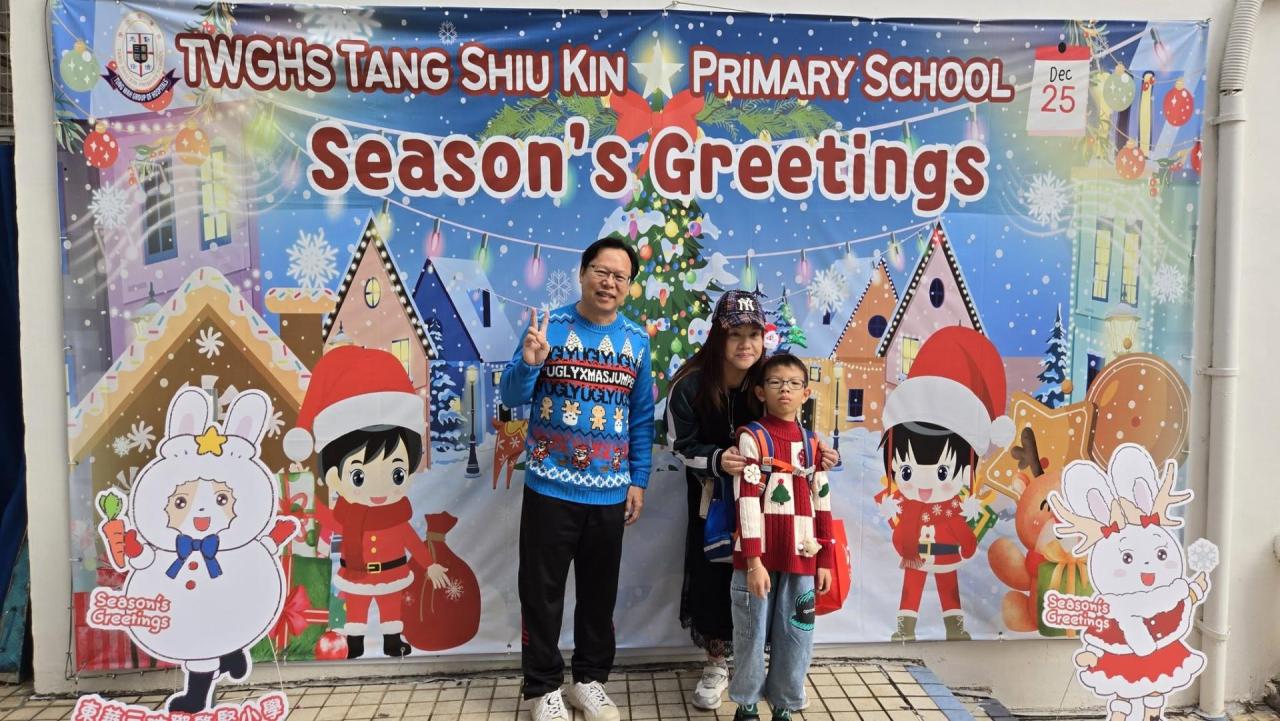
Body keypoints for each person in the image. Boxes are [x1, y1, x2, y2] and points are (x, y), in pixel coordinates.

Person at [499, 238, 654, 721]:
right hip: (549, 488)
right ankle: (542, 688)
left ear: (629, 286)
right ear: (583, 273)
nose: (609, 283)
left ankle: (588, 681)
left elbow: (641, 417)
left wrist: (638, 479)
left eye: (620, 277)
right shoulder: (551, 327)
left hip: (609, 493)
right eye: (601, 272)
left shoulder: (636, 341)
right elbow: (511, 396)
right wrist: (530, 362)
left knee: (598, 595)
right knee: (541, 593)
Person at [667, 291, 838, 710]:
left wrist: (822, 454)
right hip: (713, 501)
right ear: (718, 337)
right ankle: (716, 663)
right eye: (735, 334)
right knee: (712, 576)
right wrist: (715, 459)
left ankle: (777, 673)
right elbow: (677, 444)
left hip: (773, 508)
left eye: (754, 334)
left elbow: (797, 430)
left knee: (772, 584)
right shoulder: (690, 384)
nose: (746, 344)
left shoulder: (769, 378)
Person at [283, 346, 449, 659]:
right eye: (358, 476)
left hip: (392, 574)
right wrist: (302, 500)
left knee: (391, 608)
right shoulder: (346, 514)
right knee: (356, 610)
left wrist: (430, 564)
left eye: (397, 473)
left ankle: (391, 640)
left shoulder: (397, 515)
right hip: (356, 576)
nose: (379, 488)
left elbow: (410, 540)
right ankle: (356, 641)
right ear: (333, 474)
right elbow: (326, 518)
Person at [877, 326, 1013, 642]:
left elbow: (961, 528)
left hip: (946, 553)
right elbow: (902, 529)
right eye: (907, 472)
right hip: (915, 553)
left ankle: (954, 626)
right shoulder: (907, 504)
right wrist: (902, 539)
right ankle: (905, 626)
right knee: (911, 587)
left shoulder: (952, 505)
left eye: (942, 473)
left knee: (948, 587)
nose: (924, 485)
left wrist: (966, 539)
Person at [727, 354, 834, 721]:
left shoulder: (814, 444)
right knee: (750, 633)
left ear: (806, 393)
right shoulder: (751, 437)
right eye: (775, 382)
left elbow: (823, 501)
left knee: (796, 635)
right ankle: (746, 704)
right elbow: (745, 501)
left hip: (802, 555)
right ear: (760, 391)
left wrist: (825, 560)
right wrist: (753, 562)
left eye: (793, 383)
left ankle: (786, 705)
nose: (784, 390)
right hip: (755, 560)